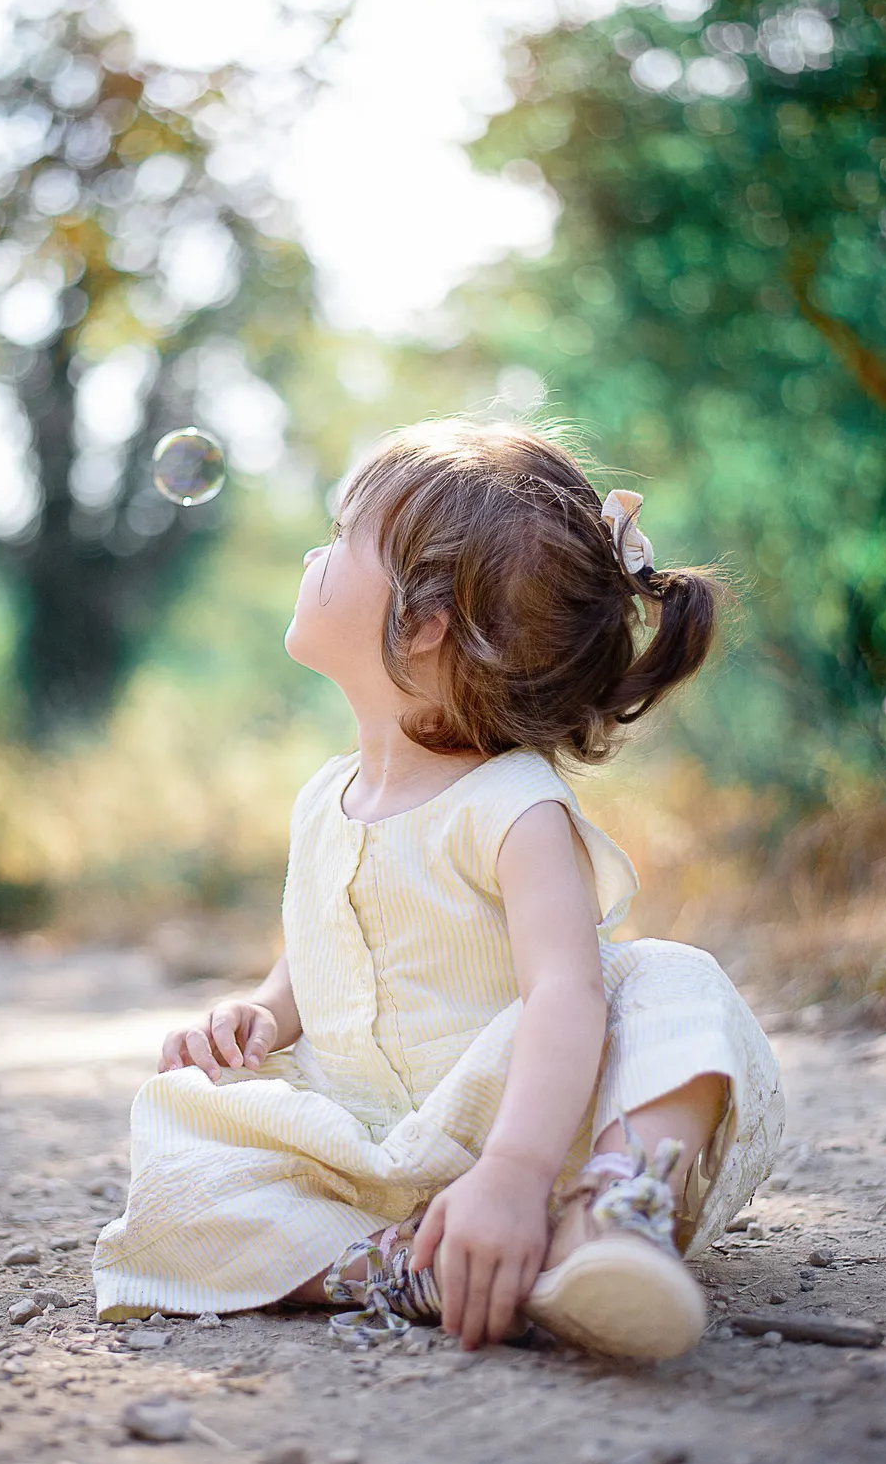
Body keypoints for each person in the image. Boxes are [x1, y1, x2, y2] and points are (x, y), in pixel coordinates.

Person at [92, 419, 784, 1357]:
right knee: (181, 1136)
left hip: (527, 1128)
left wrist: (514, 1170)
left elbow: (565, 994)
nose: (314, 554)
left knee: (671, 982)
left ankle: (607, 1215)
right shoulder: (323, 798)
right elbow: (328, 941)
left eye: (341, 537)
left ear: (422, 624)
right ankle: (403, 1264)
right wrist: (265, 1012)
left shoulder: (512, 805)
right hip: (356, 1149)